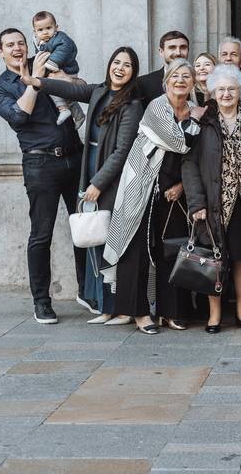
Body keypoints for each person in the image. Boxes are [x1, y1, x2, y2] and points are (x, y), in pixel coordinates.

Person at [23, 47, 144, 325]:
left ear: (133, 72)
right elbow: (72, 91)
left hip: (108, 177)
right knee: (95, 240)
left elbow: (122, 151)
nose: (120, 68)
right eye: (116, 62)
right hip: (87, 168)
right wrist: (38, 82)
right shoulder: (100, 91)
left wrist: (98, 184)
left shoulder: (131, 105)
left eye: (127, 65)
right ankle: (104, 306)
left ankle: (119, 307)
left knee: (110, 241)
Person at [0, 28, 87, 324]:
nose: (17, 48)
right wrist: (33, 81)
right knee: (41, 234)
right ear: (1, 52)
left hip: (75, 156)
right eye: (10, 45)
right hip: (40, 165)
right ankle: (42, 302)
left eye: (20, 42)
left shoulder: (45, 61)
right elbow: (20, 117)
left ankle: (89, 292)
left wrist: (51, 74)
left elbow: (81, 87)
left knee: (85, 229)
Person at [102, 59, 202, 334]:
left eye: (186, 76)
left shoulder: (194, 110)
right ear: (166, 81)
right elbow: (179, 141)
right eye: (175, 76)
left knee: (173, 248)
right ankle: (140, 313)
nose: (181, 80)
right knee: (138, 249)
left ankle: (172, 311)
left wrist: (182, 184)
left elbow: (196, 154)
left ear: (193, 83)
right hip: (143, 184)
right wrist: (193, 122)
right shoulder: (157, 106)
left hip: (177, 189)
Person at [182, 65, 241, 334]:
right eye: (221, 89)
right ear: (212, 92)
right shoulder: (202, 122)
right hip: (213, 199)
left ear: (240, 91)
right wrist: (196, 203)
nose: (226, 93)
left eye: (232, 89)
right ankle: (214, 315)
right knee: (212, 257)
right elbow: (189, 163)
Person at [31, 10, 85, 127]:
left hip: (67, 72)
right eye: (40, 30)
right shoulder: (43, 42)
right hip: (57, 72)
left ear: (56, 27)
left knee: (54, 89)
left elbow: (63, 51)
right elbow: (40, 54)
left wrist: (52, 63)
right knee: (66, 96)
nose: (45, 32)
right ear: (35, 32)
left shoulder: (61, 39)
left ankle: (63, 109)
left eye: (48, 28)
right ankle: (78, 115)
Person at [138, 30, 190, 103]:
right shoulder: (143, 83)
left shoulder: (197, 83)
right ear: (161, 51)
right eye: (172, 47)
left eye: (183, 47)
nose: (178, 53)